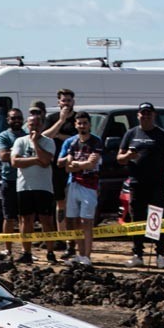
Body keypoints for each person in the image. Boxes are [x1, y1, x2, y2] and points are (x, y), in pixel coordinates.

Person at [117, 102, 164, 267]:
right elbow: (119, 159)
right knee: (137, 218)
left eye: (149, 113)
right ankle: (137, 254)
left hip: (157, 184)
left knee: (156, 219)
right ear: (138, 115)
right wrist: (128, 155)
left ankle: (160, 254)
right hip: (137, 184)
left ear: (154, 115)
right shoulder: (131, 133)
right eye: (143, 113)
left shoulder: (163, 135)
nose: (146, 116)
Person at [11, 111, 57, 264]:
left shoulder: (48, 141)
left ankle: (50, 251)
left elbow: (45, 161)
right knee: (26, 220)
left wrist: (36, 143)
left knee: (47, 220)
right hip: (24, 187)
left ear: (42, 125)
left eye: (37, 124)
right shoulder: (20, 141)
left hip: (43, 187)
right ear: (27, 125)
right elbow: (15, 162)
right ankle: (27, 252)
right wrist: (35, 159)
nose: (34, 127)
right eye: (31, 124)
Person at [58, 111, 102, 266]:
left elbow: (92, 163)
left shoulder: (96, 142)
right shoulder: (72, 142)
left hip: (89, 186)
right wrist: (79, 165)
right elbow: (67, 168)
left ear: (89, 124)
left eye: (85, 123)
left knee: (87, 221)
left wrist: (76, 164)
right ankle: (80, 253)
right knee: (75, 220)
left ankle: (87, 256)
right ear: (75, 125)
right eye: (79, 123)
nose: (82, 126)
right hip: (74, 184)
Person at [43, 88, 77, 255]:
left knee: (71, 203)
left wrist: (61, 136)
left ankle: (71, 239)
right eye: (63, 101)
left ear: (73, 102)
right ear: (59, 102)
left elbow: (78, 138)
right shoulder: (52, 118)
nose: (66, 103)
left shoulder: (79, 118)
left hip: (72, 167)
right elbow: (45, 136)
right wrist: (61, 122)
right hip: (54, 167)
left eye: (69, 101)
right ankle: (59, 238)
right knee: (58, 203)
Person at [0, 108, 26, 260]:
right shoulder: (3, 136)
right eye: (13, 118)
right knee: (8, 217)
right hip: (9, 180)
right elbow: (3, 156)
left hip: (25, 181)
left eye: (19, 118)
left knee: (25, 217)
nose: (16, 120)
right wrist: (20, 154)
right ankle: (8, 249)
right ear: (8, 120)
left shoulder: (27, 135)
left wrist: (14, 154)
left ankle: (26, 250)